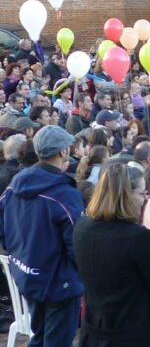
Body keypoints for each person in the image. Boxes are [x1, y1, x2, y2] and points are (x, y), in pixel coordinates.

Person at [73, 162, 150, 347]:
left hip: (94, 332)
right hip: (132, 335)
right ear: (127, 195)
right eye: (142, 193)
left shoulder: (82, 227)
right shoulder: (137, 238)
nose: (145, 199)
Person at [0, 125, 84, 347]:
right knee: (55, 340)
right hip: (59, 282)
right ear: (63, 152)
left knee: (40, 336)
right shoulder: (65, 194)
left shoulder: (13, 186)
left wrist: (18, 253)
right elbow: (77, 244)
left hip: (28, 275)